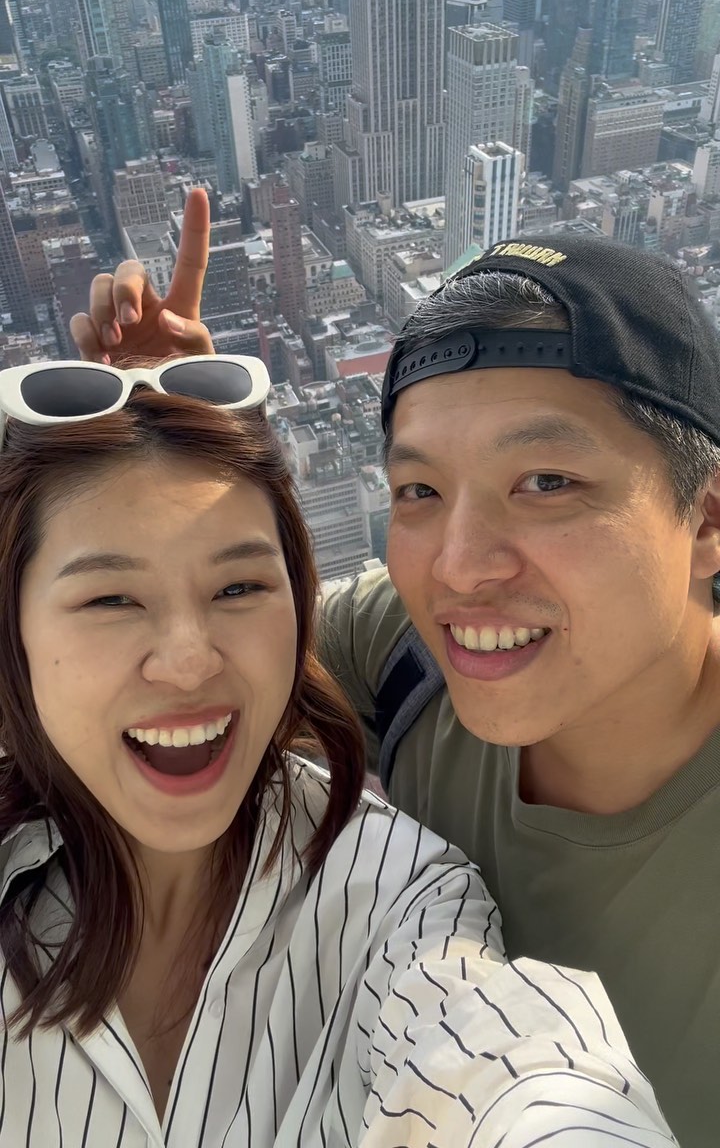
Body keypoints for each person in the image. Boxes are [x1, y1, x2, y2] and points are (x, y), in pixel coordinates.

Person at [71, 194, 720, 1144]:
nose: (459, 567)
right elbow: (188, 674)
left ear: (705, 520)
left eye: (546, 483)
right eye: (420, 490)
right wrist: (174, 457)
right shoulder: (404, 650)